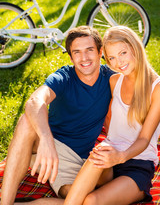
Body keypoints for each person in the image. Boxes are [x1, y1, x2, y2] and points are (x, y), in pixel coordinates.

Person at [1, 26, 114, 205]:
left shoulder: (112, 79)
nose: (84, 58)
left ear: (100, 52)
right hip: (48, 142)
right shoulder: (64, 76)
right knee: (26, 120)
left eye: (89, 50)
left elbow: (145, 88)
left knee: (81, 200)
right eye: (77, 52)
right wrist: (46, 140)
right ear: (71, 57)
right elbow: (34, 101)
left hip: (78, 157)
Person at [64, 26, 160, 205]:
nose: (118, 62)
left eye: (123, 53)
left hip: (138, 164)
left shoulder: (157, 88)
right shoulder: (114, 81)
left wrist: (121, 155)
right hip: (110, 159)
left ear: (135, 48)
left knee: (91, 201)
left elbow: (145, 139)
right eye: (112, 58)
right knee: (98, 154)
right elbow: (107, 121)